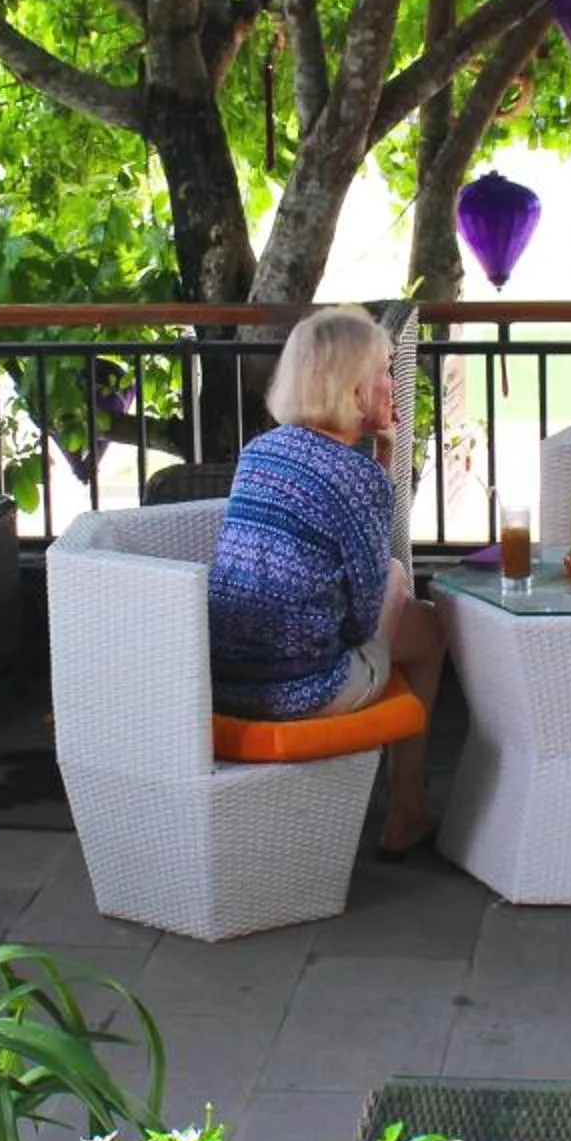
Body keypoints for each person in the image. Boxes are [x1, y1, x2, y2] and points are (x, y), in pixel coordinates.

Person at [206, 306, 448, 855]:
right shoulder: (355, 477)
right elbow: (363, 621)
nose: (393, 383)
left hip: (224, 682)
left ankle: (398, 804)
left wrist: (384, 452)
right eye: (385, 370)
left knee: (392, 584)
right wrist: (394, 587)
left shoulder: (259, 452)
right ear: (355, 386)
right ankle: (406, 810)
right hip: (304, 691)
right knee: (426, 630)